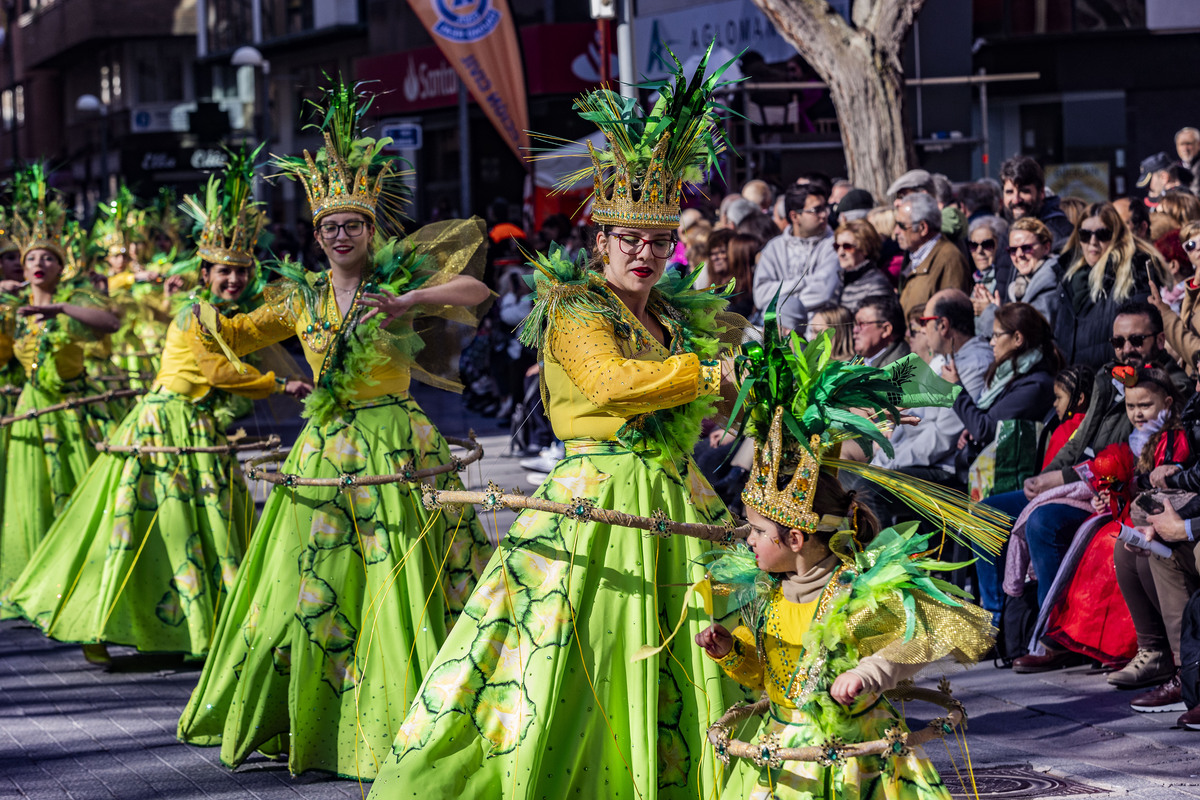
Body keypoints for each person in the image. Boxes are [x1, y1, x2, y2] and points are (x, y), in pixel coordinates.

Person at [367, 53, 748, 799]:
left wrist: (752, 391)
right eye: (628, 238)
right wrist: (711, 375)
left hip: (675, 494)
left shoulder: (672, 314)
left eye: (656, 238)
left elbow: (702, 401)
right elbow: (610, 383)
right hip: (593, 504)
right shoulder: (576, 307)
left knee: (688, 644)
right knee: (573, 650)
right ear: (599, 241)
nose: (644, 252)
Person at [176, 82, 494, 779]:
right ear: (317, 236)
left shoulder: (397, 277)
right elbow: (231, 330)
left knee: (399, 574)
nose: (341, 235)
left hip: (398, 443)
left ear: (370, 231)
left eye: (352, 224)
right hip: (326, 448)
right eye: (329, 227)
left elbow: (477, 291)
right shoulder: (300, 297)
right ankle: (316, 717)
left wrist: (412, 298)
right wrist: (198, 299)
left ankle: (409, 716)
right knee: (317, 579)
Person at [4, 152, 309, 663]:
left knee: (197, 522)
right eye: (222, 273)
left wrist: (309, 305)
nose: (231, 280)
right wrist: (281, 384)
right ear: (205, 275)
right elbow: (216, 373)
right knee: (153, 526)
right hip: (163, 423)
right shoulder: (196, 313)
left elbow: (256, 330)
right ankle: (105, 624)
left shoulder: (223, 315)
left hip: (194, 424)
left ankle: (198, 626)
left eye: (240, 272)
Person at [694, 330, 996, 800]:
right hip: (787, 759)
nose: (747, 539)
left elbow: (916, 641)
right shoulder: (769, 593)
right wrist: (729, 651)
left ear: (795, 538)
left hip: (856, 761)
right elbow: (765, 674)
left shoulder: (855, 590)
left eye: (756, 531)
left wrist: (867, 674)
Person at [978, 303, 1189, 628]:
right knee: (986, 513)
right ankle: (995, 624)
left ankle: (1053, 632)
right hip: (1075, 480)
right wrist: (1046, 477)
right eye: (1118, 342)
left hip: (1110, 488)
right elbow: (1080, 440)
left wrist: (1058, 478)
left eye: (1136, 340)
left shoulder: (1166, 386)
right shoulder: (1108, 377)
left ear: (1159, 341)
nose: (1126, 350)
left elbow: (1125, 457)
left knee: (1041, 520)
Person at [0, 165, 121, 603]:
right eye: (31, 258)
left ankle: (79, 579)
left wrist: (62, 310)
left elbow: (110, 322)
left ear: (61, 267)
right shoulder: (11, 307)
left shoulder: (77, 303)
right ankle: (33, 580)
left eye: (48, 258)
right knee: (33, 499)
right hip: (32, 412)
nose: (38, 264)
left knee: (80, 496)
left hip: (75, 412)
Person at [947, 302, 1060, 468]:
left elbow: (984, 429)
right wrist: (971, 429)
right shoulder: (1011, 373)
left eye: (996, 336)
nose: (992, 343)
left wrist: (954, 388)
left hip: (1007, 478)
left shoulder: (1035, 385)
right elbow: (985, 424)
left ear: (1017, 338)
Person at [1054, 203, 1157, 369]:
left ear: (1116, 236)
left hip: (1111, 386)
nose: (1093, 242)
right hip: (1073, 386)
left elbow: (1142, 344)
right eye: (1085, 235)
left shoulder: (1132, 277)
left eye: (1102, 234)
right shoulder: (1067, 278)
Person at [753, 182, 841, 331]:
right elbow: (761, 296)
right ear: (795, 216)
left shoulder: (834, 245)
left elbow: (824, 291)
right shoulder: (774, 247)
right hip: (779, 332)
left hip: (817, 335)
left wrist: (780, 294)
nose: (825, 214)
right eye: (816, 210)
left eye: (825, 208)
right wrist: (804, 283)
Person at [895, 192, 972, 318]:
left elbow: (952, 319)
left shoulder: (950, 259)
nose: (896, 232)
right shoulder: (916, 256)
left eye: (902, 226)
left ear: (922, 228)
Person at [1003, 217, 1064, 328]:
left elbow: (1030, 333)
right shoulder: (1019, 284)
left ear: (1046, 248)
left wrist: (990, 313)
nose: (1019, 255)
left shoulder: (1049, 283)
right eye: (1013, 250)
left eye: (1026, 248)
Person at [834, 218, 891, 311]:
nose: (840, 253)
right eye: (837, 246)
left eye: (847, 246)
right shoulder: (842, 279)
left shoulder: (875, 285)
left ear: (865, 248)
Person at [968, 215, 1009, 337]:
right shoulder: (976, 278)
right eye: (973, 246)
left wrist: (988, 309)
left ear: (1000, 245)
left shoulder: (1004, 279)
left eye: (987, 245)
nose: (979, 251)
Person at [853, 293, 909, 367]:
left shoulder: (896, 371)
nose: (855, 330)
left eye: (862, 323)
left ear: (886, 330)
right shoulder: (858, 361)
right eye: (855, 324)